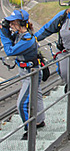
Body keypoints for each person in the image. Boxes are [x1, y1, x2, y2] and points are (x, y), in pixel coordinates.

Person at [0, 8, 45, 139]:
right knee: (37, 95)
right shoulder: (20, 35)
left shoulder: (27, 39)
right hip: (25, 71)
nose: (11, 26)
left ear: (21, 24)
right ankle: (40, 120)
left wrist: (3, 33)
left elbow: (9, 50)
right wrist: (4, 29)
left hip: (30, 73)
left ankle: (30, 130)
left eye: (13, 23)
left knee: (21, 103)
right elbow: (11, 37)